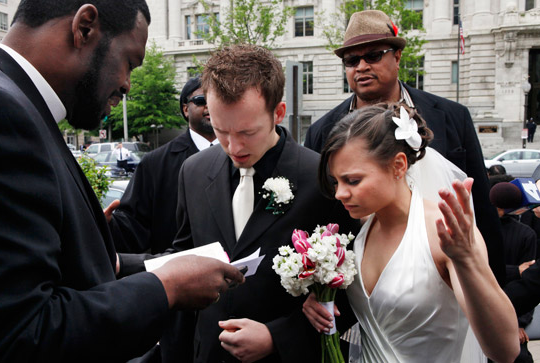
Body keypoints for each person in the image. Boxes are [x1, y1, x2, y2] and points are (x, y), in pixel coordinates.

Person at [0, 0, 245, 361]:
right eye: (128, 62)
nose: (126, 84)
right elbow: (18, 333)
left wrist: (127, 262)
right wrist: (167, 288)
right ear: (85, 27)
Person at [170, 44, 358, 362]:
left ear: (278, 113)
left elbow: (352, 291)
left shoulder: (323, 178)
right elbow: (184, 260)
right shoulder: (193, 171)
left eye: (247, 131)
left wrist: (278, 337)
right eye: (220, 130)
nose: (233, 145)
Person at [302, 103, 519, 362]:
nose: (339, 194)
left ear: (398, 166)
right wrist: (321, 300)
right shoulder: (362, 229)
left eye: (353, 181)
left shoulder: (445, 232)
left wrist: (466, 260)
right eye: (336, 181)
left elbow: (505, 350)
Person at [304, 9, 506, 284]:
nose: (361, 66)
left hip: (447, 273)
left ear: (397, 56)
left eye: (373, 55)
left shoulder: (452, 116)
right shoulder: (321, 132)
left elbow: (481, 207)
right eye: (351, 60)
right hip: (360, 285)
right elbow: (318, 216)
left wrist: (501, 294)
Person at [108, 76, 215, 363]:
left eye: (214, 99)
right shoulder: (156, 163)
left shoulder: (242, 157)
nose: (208, 107)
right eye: (200, 100)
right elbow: (132, 225)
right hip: (176, 299)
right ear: (185, 109)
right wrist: (103, 228)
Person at [489, 180, 537, 362]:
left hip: (481, 310)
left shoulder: (479, 230)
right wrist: (516, 324)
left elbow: (483, 271)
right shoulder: (527, 234)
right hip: (513, 314)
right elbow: (528, 283)